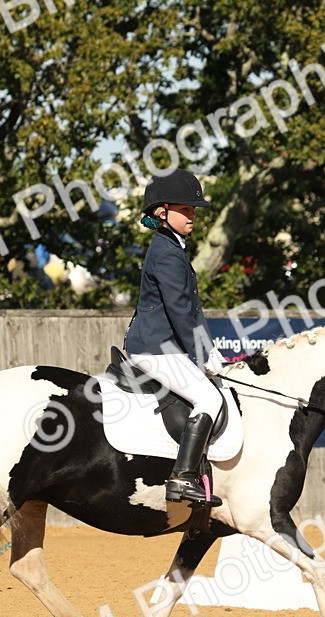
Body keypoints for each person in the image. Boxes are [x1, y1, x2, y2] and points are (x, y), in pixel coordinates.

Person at [123, 168, 227, 506]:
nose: (192, 215)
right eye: (186, 209)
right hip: (156, 349)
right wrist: (204, 352)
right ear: (161, 212)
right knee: (210, 400)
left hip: (163, 347)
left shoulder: (172, 247)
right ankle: (182, 477)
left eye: (194, 209)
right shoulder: (168, 252)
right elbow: (181, 309)